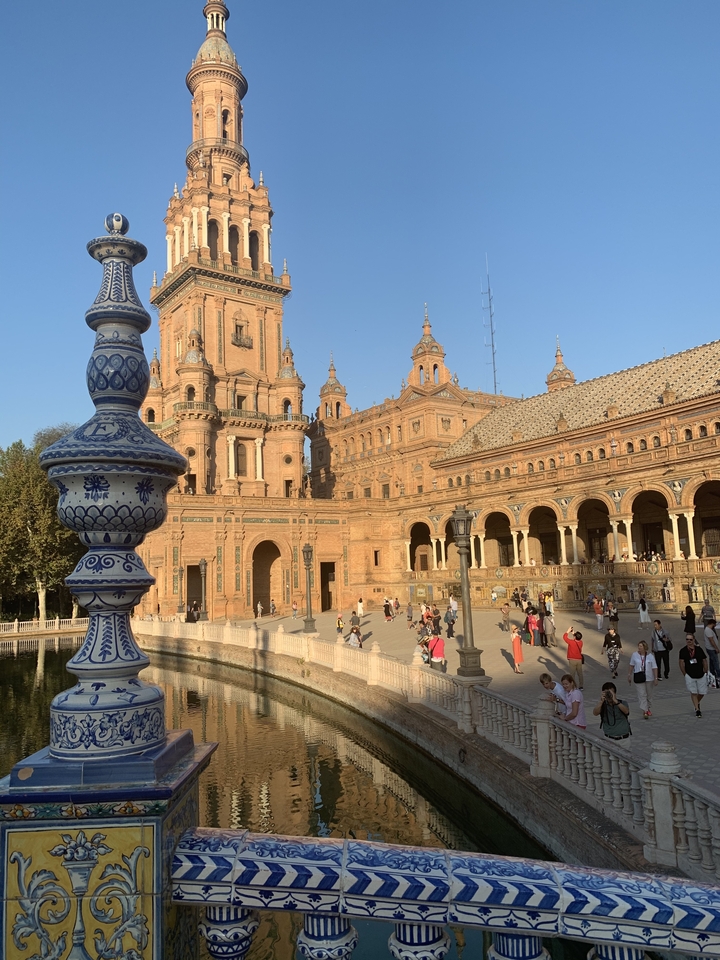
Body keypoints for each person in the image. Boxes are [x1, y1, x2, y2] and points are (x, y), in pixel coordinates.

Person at [679, 634, 709, 717]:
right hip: (690, 675)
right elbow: (681, 662)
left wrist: (706, 671)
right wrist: (685, 674)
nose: (689, 641)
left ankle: (697, 702)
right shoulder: (683, 651)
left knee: (702, 692)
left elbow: (704, 660)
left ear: (694, 640)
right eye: (687, 639)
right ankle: (697, 710)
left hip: (701, 674)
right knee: (693, 692)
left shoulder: (699, 649)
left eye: (690, 639)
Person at [627, 639, 658, 719]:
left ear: (645, 647)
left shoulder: (650, 656)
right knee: (642, 694)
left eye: (641, 646)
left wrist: (656, 678)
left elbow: (654, 667)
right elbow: (631, 665)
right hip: (639, 677)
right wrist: (629, 674)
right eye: (639, 646)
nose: (639, 648)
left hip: (649, 678)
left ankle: (648, 707)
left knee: (649, 694)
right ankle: (645, 710)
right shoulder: (634, 655)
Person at [703, 619, 720, 684]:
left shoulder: (708, 630)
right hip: (711, 649)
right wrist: (716, 648)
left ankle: (712, 674)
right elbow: (711, 640)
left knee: (712, 662)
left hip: (710, 648)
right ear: (712, 624)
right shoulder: (708, 630)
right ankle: (718, 675)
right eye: (715, 625)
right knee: (716, 662)